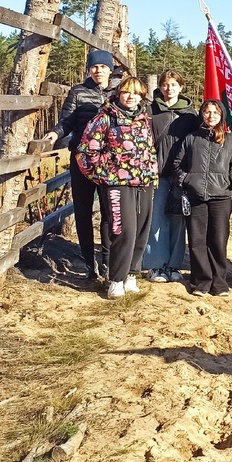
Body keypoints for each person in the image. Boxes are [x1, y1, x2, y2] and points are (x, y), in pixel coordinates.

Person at [74, 75, 158, 299]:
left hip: (144, 180)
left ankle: (131, 274)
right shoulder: (104, 118)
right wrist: (104, 174)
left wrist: (151, 172)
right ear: (119, 93)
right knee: (124, 229)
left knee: (141, 229)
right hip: (117, 183)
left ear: (142, 96)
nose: (131, 97)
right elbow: (85, 151)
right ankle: (116, 279)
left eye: (136, 93)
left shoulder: (144, 119)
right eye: (127, 92)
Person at [42, 49, 117, 282]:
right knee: (83, 212)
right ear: (89, 70)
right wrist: (55, 133)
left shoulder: (118, 93)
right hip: (82, 161)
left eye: (103, 67)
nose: (98, 70)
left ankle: (107, 262)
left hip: (108, 162)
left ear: (110, 69)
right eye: (94, 67)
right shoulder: (78, 92)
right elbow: (67, 120)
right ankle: (89, 265)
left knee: (109, 213)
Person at [170, 99, 232, 297]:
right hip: (196, 196)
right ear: (202, 115)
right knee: (197, 240)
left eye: (215, 112)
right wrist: (187, 180)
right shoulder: (191, 139)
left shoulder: (231, 140)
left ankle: (219, 282)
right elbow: (178, 164)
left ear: (221, 115)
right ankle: (201, 281)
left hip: (221, 197)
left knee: (218, 239)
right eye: (207, 111)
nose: (210, 115)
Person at [144, 71, 196, 283]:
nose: (169, 88)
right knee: (156, 221)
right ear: (160, 87)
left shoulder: (191, 114)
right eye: (166, 84)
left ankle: (173, 265)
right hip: (156, 174)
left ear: (181, 87)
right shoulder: (150, 110)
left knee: (178, 220)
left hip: (180, 176)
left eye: (174, 84)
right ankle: (154, 265)